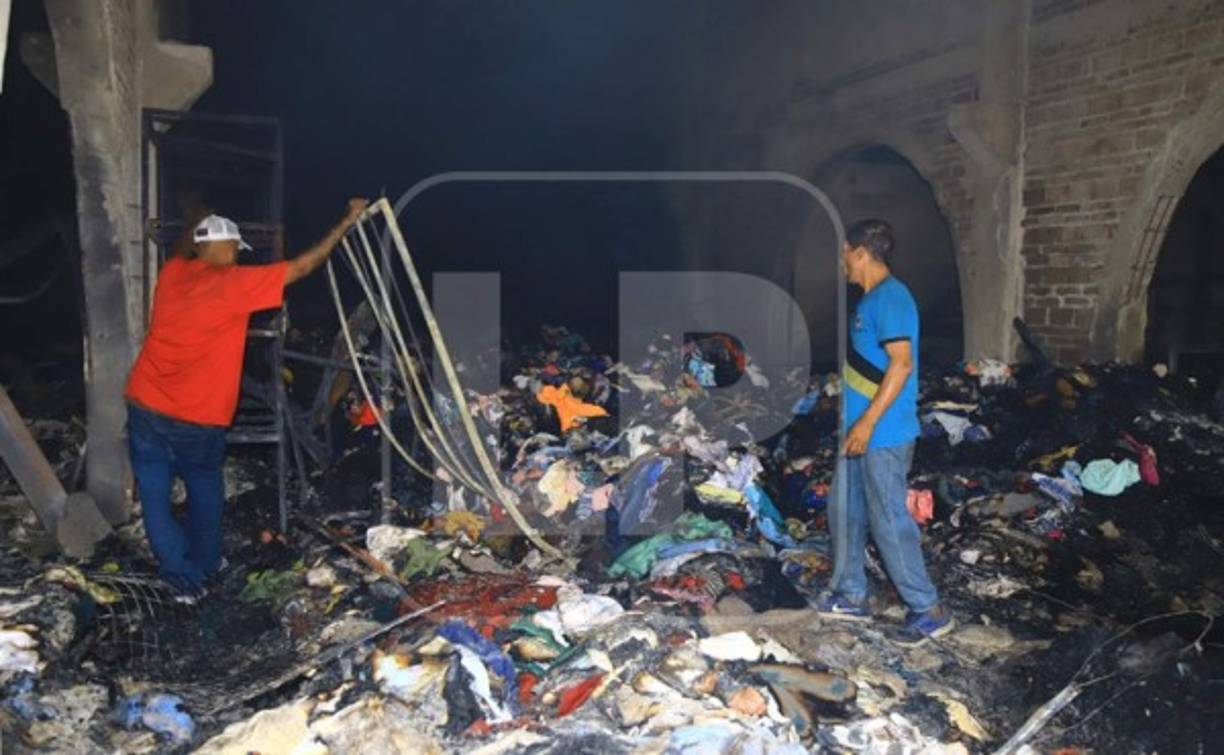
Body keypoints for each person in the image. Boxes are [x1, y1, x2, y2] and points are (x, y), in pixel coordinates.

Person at [125, 198, 369, 596]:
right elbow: (303, 267)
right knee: (205, 490)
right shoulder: (234, 283)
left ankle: (176, 572)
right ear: (229, 246)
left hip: (144, 404)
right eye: (236, 248)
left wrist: (195, 222)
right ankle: (201, 569)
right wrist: (347, 221)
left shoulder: (173, 272)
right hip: (196, 418)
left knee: (154, 494)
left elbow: (185, 247)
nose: (237, 255)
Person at [815, 219, 954, 646]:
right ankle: (851, 593)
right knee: (844, 507)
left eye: (844, 254)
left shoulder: (892, 298)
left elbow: (902, 365)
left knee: (888, 518)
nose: (841, 263)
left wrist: (867, 422)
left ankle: (928, 608)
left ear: (858, 252)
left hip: (883, 434)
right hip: (859, 432)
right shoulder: (871, 300)